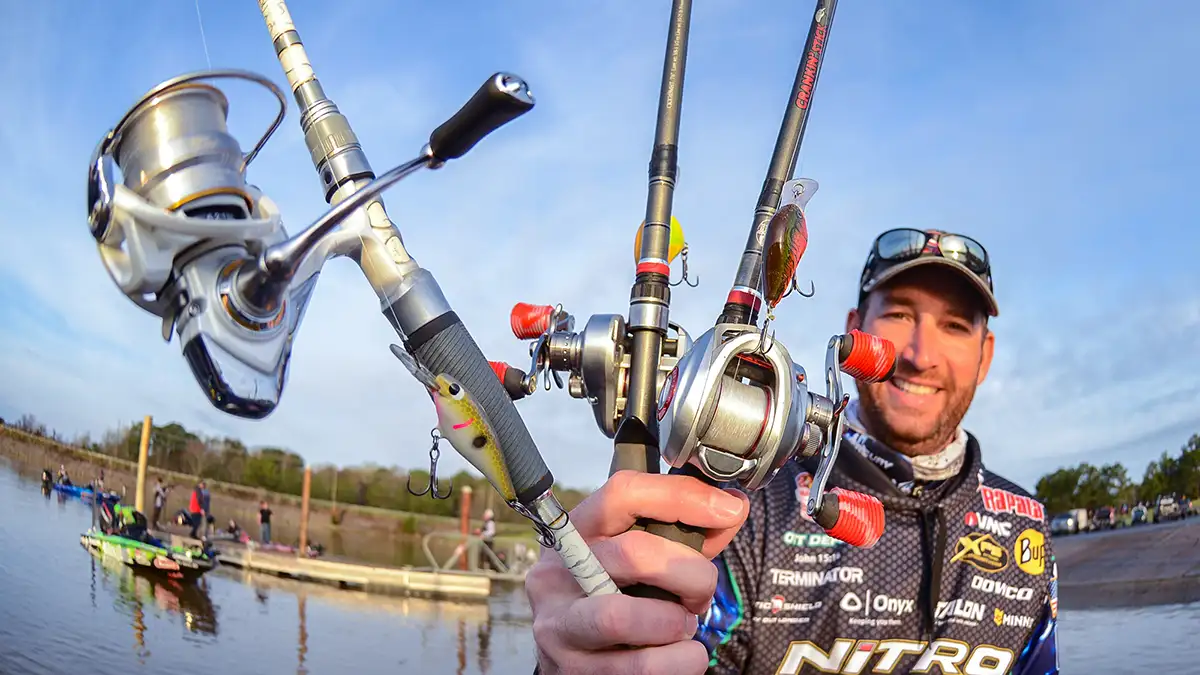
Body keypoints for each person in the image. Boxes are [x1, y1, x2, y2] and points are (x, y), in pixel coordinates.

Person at [525, 228, 1059, 674]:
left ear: (985, 356)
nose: (920, 355)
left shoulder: (1027, 525)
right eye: (899, 314)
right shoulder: (738, 505)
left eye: (955, 326)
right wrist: (580, 653)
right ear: (855, 331)